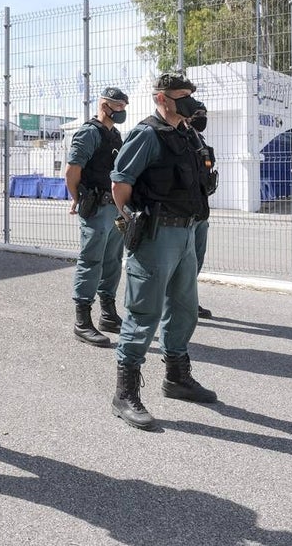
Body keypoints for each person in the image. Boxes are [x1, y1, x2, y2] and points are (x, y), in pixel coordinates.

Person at [109, 72, 218, 431]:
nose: (188, 100)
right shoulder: (147, 133)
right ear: (161, 98)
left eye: (189, 94)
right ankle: (125, 392)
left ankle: (176, 376)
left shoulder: (186, 134)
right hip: (157, 235)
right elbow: (120, 184)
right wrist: (133, 222)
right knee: (144, 312)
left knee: (184, 308)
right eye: (180, 95)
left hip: (187, 233)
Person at [64, 86, 128, 347]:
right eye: (118, 106)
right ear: (104, 105)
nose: (122, 111)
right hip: (96, 207)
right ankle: (82, 321)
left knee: (112, 260)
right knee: (91, 261)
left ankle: (108, 314)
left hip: (113, 207)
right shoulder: (89, 133)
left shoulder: (115, 134)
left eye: (124, 107)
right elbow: (72, 171)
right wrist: (77, 198)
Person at [189, 103, 215, 320]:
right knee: (183, 262)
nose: (202, 118)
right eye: (198, 115)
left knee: (197, 259)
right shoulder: (181, 138)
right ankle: (177, 303)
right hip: (185, 213)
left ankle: (189, 300)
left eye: (204, 115)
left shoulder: (200, 141)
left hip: (201, 210)